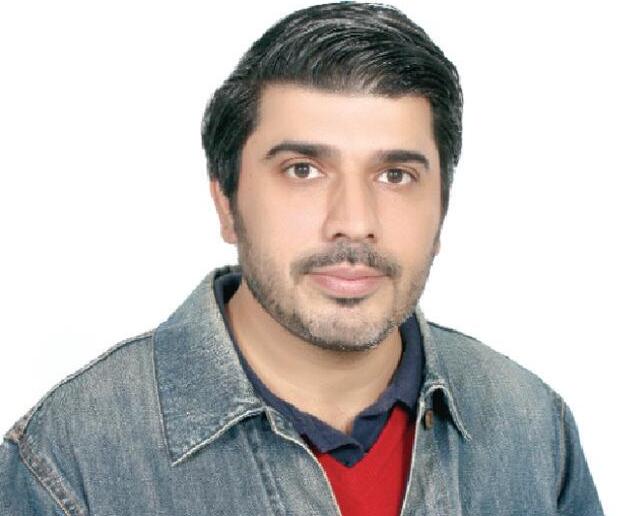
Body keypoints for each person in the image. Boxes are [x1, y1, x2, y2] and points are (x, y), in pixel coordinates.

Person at [0, 2, 603, 515]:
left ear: (441, 209)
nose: (354, 221)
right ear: (227, 203)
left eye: (395, 174)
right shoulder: (70, 460)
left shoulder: (534, 427)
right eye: (303, 170)